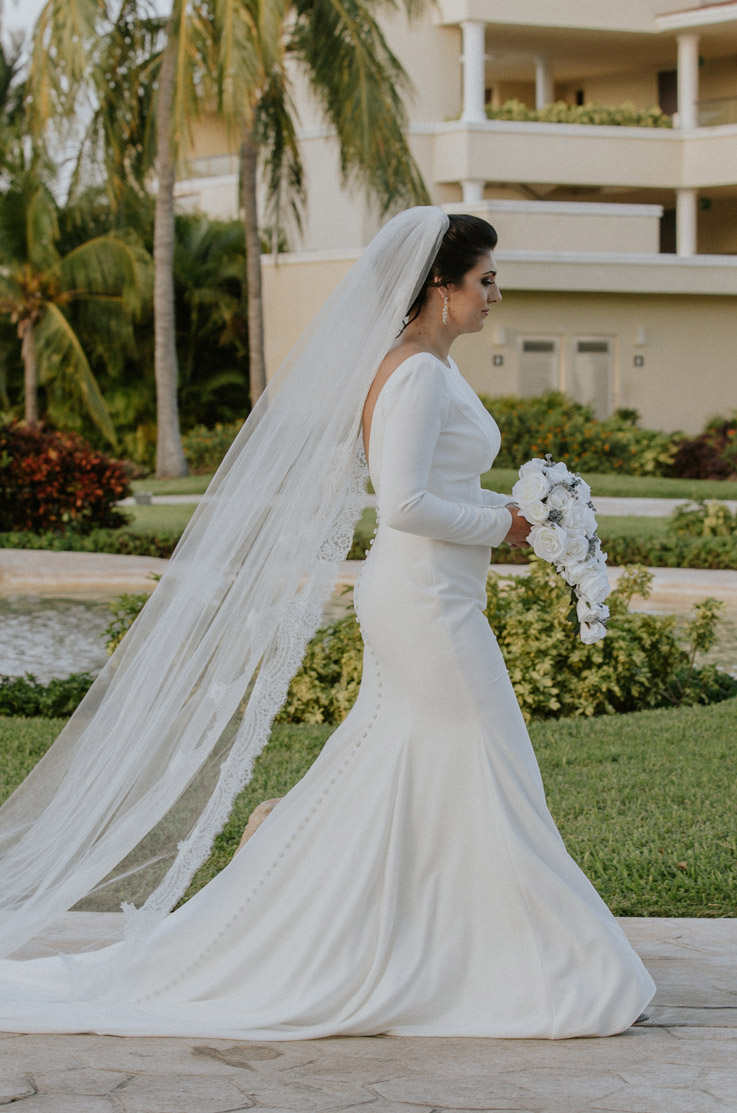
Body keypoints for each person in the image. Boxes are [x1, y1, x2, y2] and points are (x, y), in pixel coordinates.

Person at [0, 207, 654, 1038]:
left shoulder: (424, 365)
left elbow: (431, 490)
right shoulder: (413, 373)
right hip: (423, 603)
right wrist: (510, 526)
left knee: (410, 768)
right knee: (494, 767)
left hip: (431, 595)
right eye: (483, 279)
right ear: (438, 288)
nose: (495, 293)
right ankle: (550, 966)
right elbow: (406, 501)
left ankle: (381, 925)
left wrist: (522, 512)